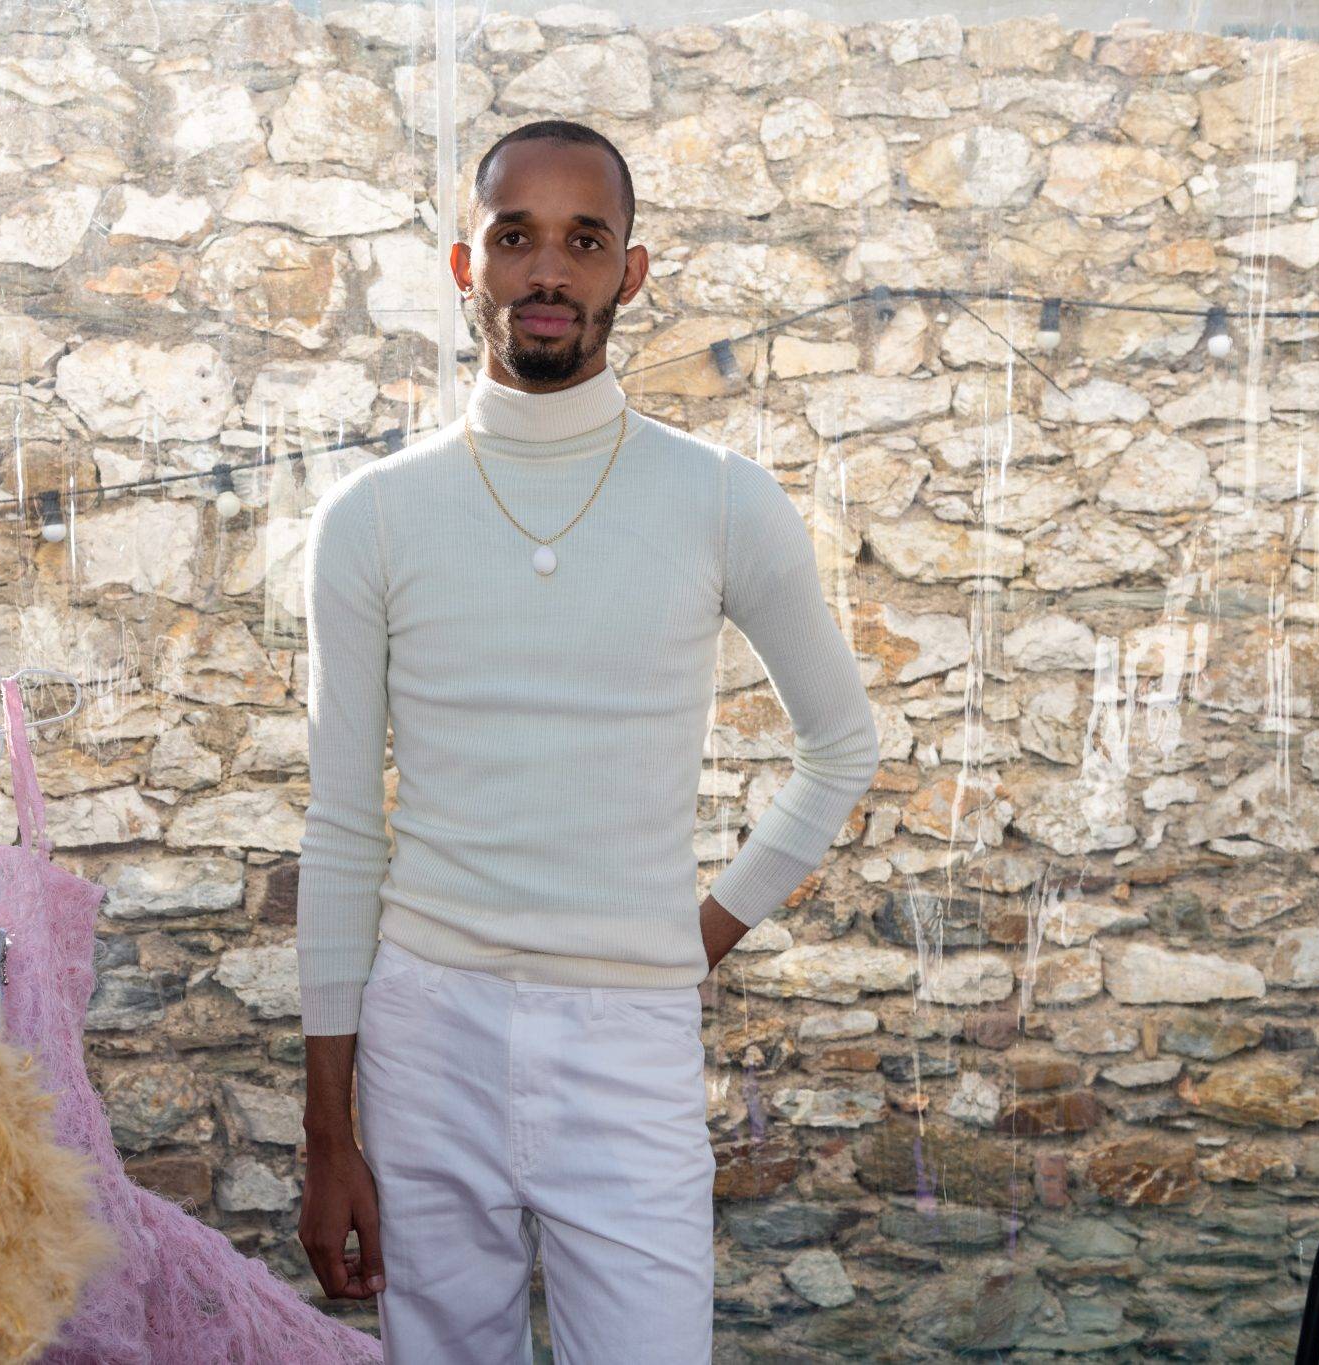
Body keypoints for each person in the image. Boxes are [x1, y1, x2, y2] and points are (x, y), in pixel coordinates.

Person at [295, 119, 880, 1363]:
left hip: (631, 1041)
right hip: (425, 1035)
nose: (546, 272)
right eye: (515, 238)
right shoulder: (373, 520)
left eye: (582, 240)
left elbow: (840, 746)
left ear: (631, 271)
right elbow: (342, 828)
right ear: (467, 265)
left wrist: (695, 937)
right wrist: (325, 1136)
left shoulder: (720, 499)